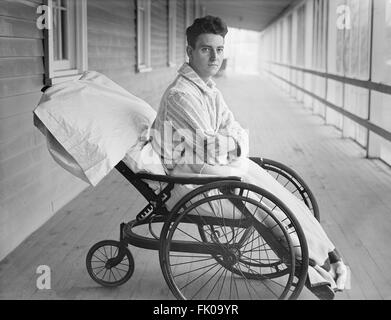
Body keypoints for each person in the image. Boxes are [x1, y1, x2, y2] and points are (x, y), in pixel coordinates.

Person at [150, 15, 348, 299]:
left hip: (212, 166)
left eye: (219, 50)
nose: (214, 57)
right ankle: (314, 262)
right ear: (190, 52)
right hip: (190, 176)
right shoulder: (181, 95)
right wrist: (234, 142)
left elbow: (234, 128)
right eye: (206, 49)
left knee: (277, 193)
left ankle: (324, 254)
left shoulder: (208, 89)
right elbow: (209, 146)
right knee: (267, 200)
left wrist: (233, 142)